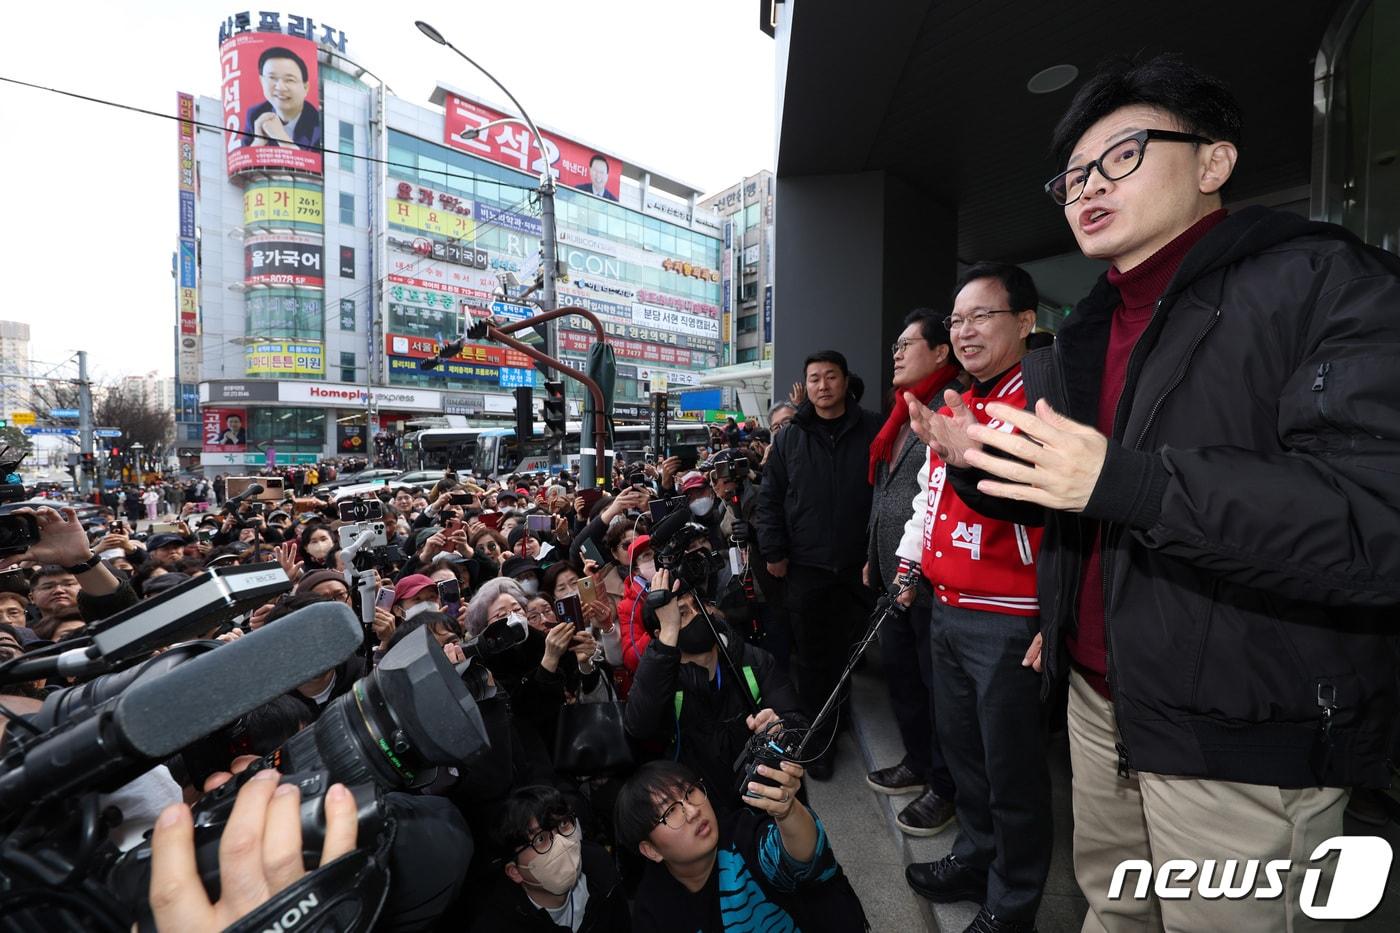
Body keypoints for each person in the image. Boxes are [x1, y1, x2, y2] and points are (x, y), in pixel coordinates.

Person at [914, 55, 1400, 932]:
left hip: (1239, 734)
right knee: (1117, 911)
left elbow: (1373, 520)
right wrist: (993, 480)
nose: (1088, 186)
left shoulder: (1322, 284)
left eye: (1124, 154)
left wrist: (1123, 479)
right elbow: (1083, 509)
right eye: (1072, 175)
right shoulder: (1084, 332)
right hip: (1102, 705)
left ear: (1214, 162)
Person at [898, 265, 1051, 933]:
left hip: (1009, 620)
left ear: (1024, 320)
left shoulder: (1045, 399)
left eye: (980, 316)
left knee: (1012, 771)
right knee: (966, 757)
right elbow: (932, 501)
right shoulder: (966, 398)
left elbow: (1044, 506)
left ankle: (1013, 903)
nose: (964, 331)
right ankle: (976, 856)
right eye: (957, 320)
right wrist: (912, 563)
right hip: (949, 606)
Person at [753, 350, 881, 779]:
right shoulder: (790, 436)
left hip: (858, 566)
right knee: (810, 659)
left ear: (846, 380)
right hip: (806, 568)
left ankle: (836, 719)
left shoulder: (873, 428)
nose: (822, 386)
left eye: (830, 377)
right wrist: (774, 552)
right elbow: (769, 499)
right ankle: (820, 740)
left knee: (852, 653)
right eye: (814, 379)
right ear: (805, 386)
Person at [863, 307, 962, 837]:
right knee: (903, 681)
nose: (896, 354)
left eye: (908, 344)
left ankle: (944, 786)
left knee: (936, 688)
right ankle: (917, 762)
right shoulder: (899, 414)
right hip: (892, 574)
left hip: (932, 583)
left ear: (941, 352)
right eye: (895, 345)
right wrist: (871, 557)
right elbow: (885, 496)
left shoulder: (951, 410)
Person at [624, 568, 803, 815]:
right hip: (705, 812)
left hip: (767, 802)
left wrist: (781, 728)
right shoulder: (663, 683)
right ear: (664, 631)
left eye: (697, 606)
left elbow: (797, 724)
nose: (698, 615)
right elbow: (638, 725)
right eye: (682, 614)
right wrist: (667, 638)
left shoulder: (753, 660)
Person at [615, 759, 866, 932]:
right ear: (651, 850)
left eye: (690, 792)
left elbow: (798, 858)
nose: (692, 811)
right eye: (670, 812)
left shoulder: (740, 835)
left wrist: (787, 812)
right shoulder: (653, 911)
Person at [471, 785, 630, 933]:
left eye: (563, 824)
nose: (562, 843)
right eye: (540, 839)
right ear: (515, 872)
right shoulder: (497, 924)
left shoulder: (599, 866)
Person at [240, 45, 322, 151]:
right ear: (261, 81)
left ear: (305, 87)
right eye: (272, 78)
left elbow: (312, 166)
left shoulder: (316, 123)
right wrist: (258, 142)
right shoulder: (255, 115)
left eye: (289, 80)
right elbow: (245, 165)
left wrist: (281, 136)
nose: (280, 88)